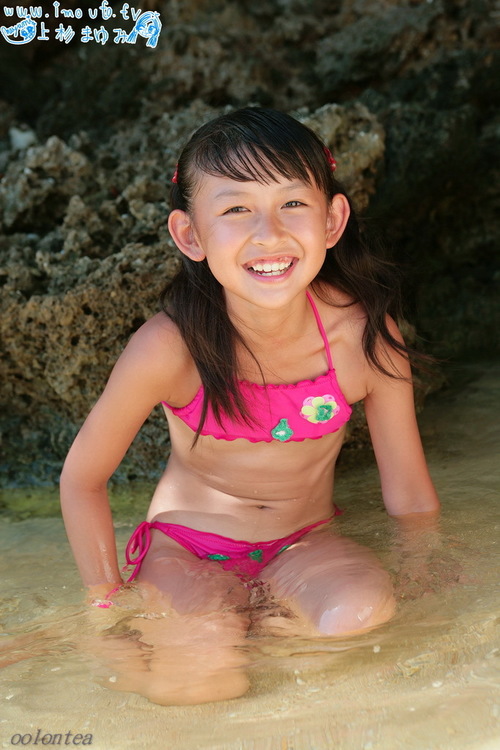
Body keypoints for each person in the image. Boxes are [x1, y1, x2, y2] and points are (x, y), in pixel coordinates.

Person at [60, 107, 440, 705]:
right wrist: (106, 606)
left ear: (332, 220)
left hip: (304, 543)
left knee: (360, 616)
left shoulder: (362, 337)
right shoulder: (169, 348)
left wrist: (426, 575)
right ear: (190, 235)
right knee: (202, 678)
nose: (269, 233)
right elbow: (82, 479)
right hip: (188, 550)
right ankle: (207, 640)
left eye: (293, 203)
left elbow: (411, 496)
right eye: (236, 209)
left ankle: (264, 644)